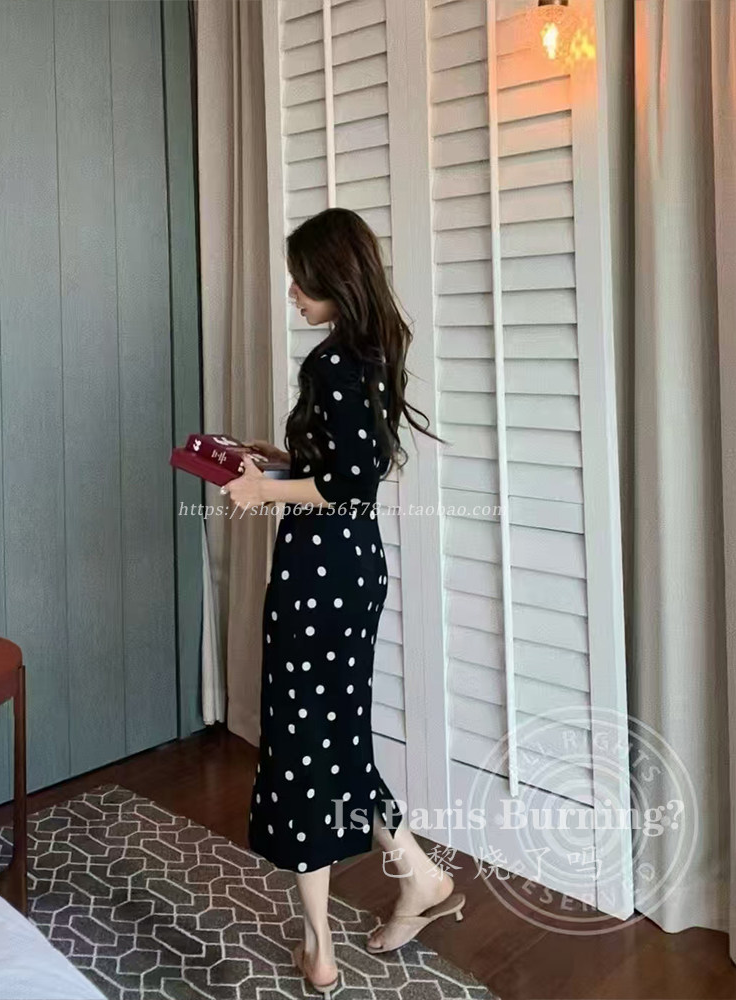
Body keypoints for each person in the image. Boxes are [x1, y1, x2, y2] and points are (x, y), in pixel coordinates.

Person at [224, 208, 465, 995]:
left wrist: (266, 492)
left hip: (318, 573)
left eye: (303, 279)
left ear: (336, 278)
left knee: (302, 746)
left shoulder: (333, 361)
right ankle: (420, 877)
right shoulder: (368, 352)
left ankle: (319, 947)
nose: (292, 292)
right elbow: (346, 466)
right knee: (334, 736)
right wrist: (279, 462)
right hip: (353, 567)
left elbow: (347, 483)